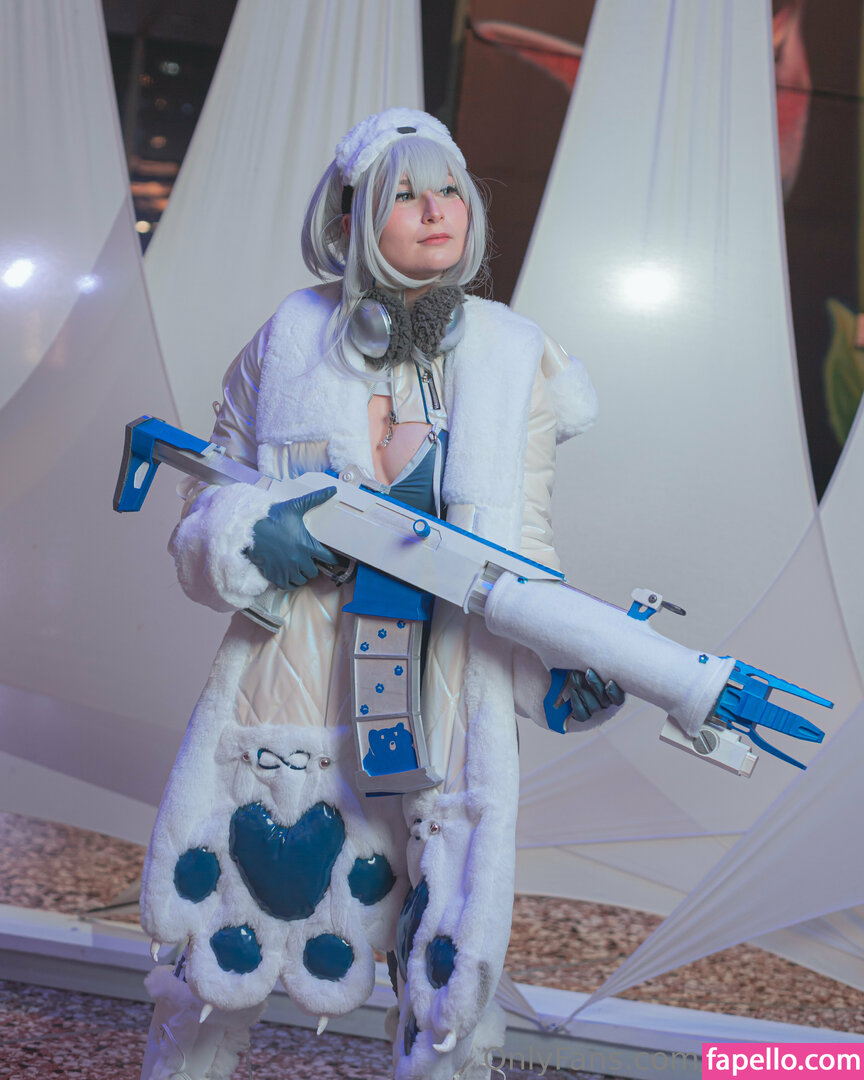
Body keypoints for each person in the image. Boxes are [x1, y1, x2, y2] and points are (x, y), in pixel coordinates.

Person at [138, 108, 620, 1080]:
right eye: (405, 193)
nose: (435, 210)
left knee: (447, 974)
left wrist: (559, 665)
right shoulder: (288, 337)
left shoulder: (514, 354)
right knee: (218, 952)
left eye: (449, 190)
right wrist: (249, 532)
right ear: (352, 217)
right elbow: (202, 508)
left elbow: (522, 556)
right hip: (298, 683)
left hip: (444, 695)